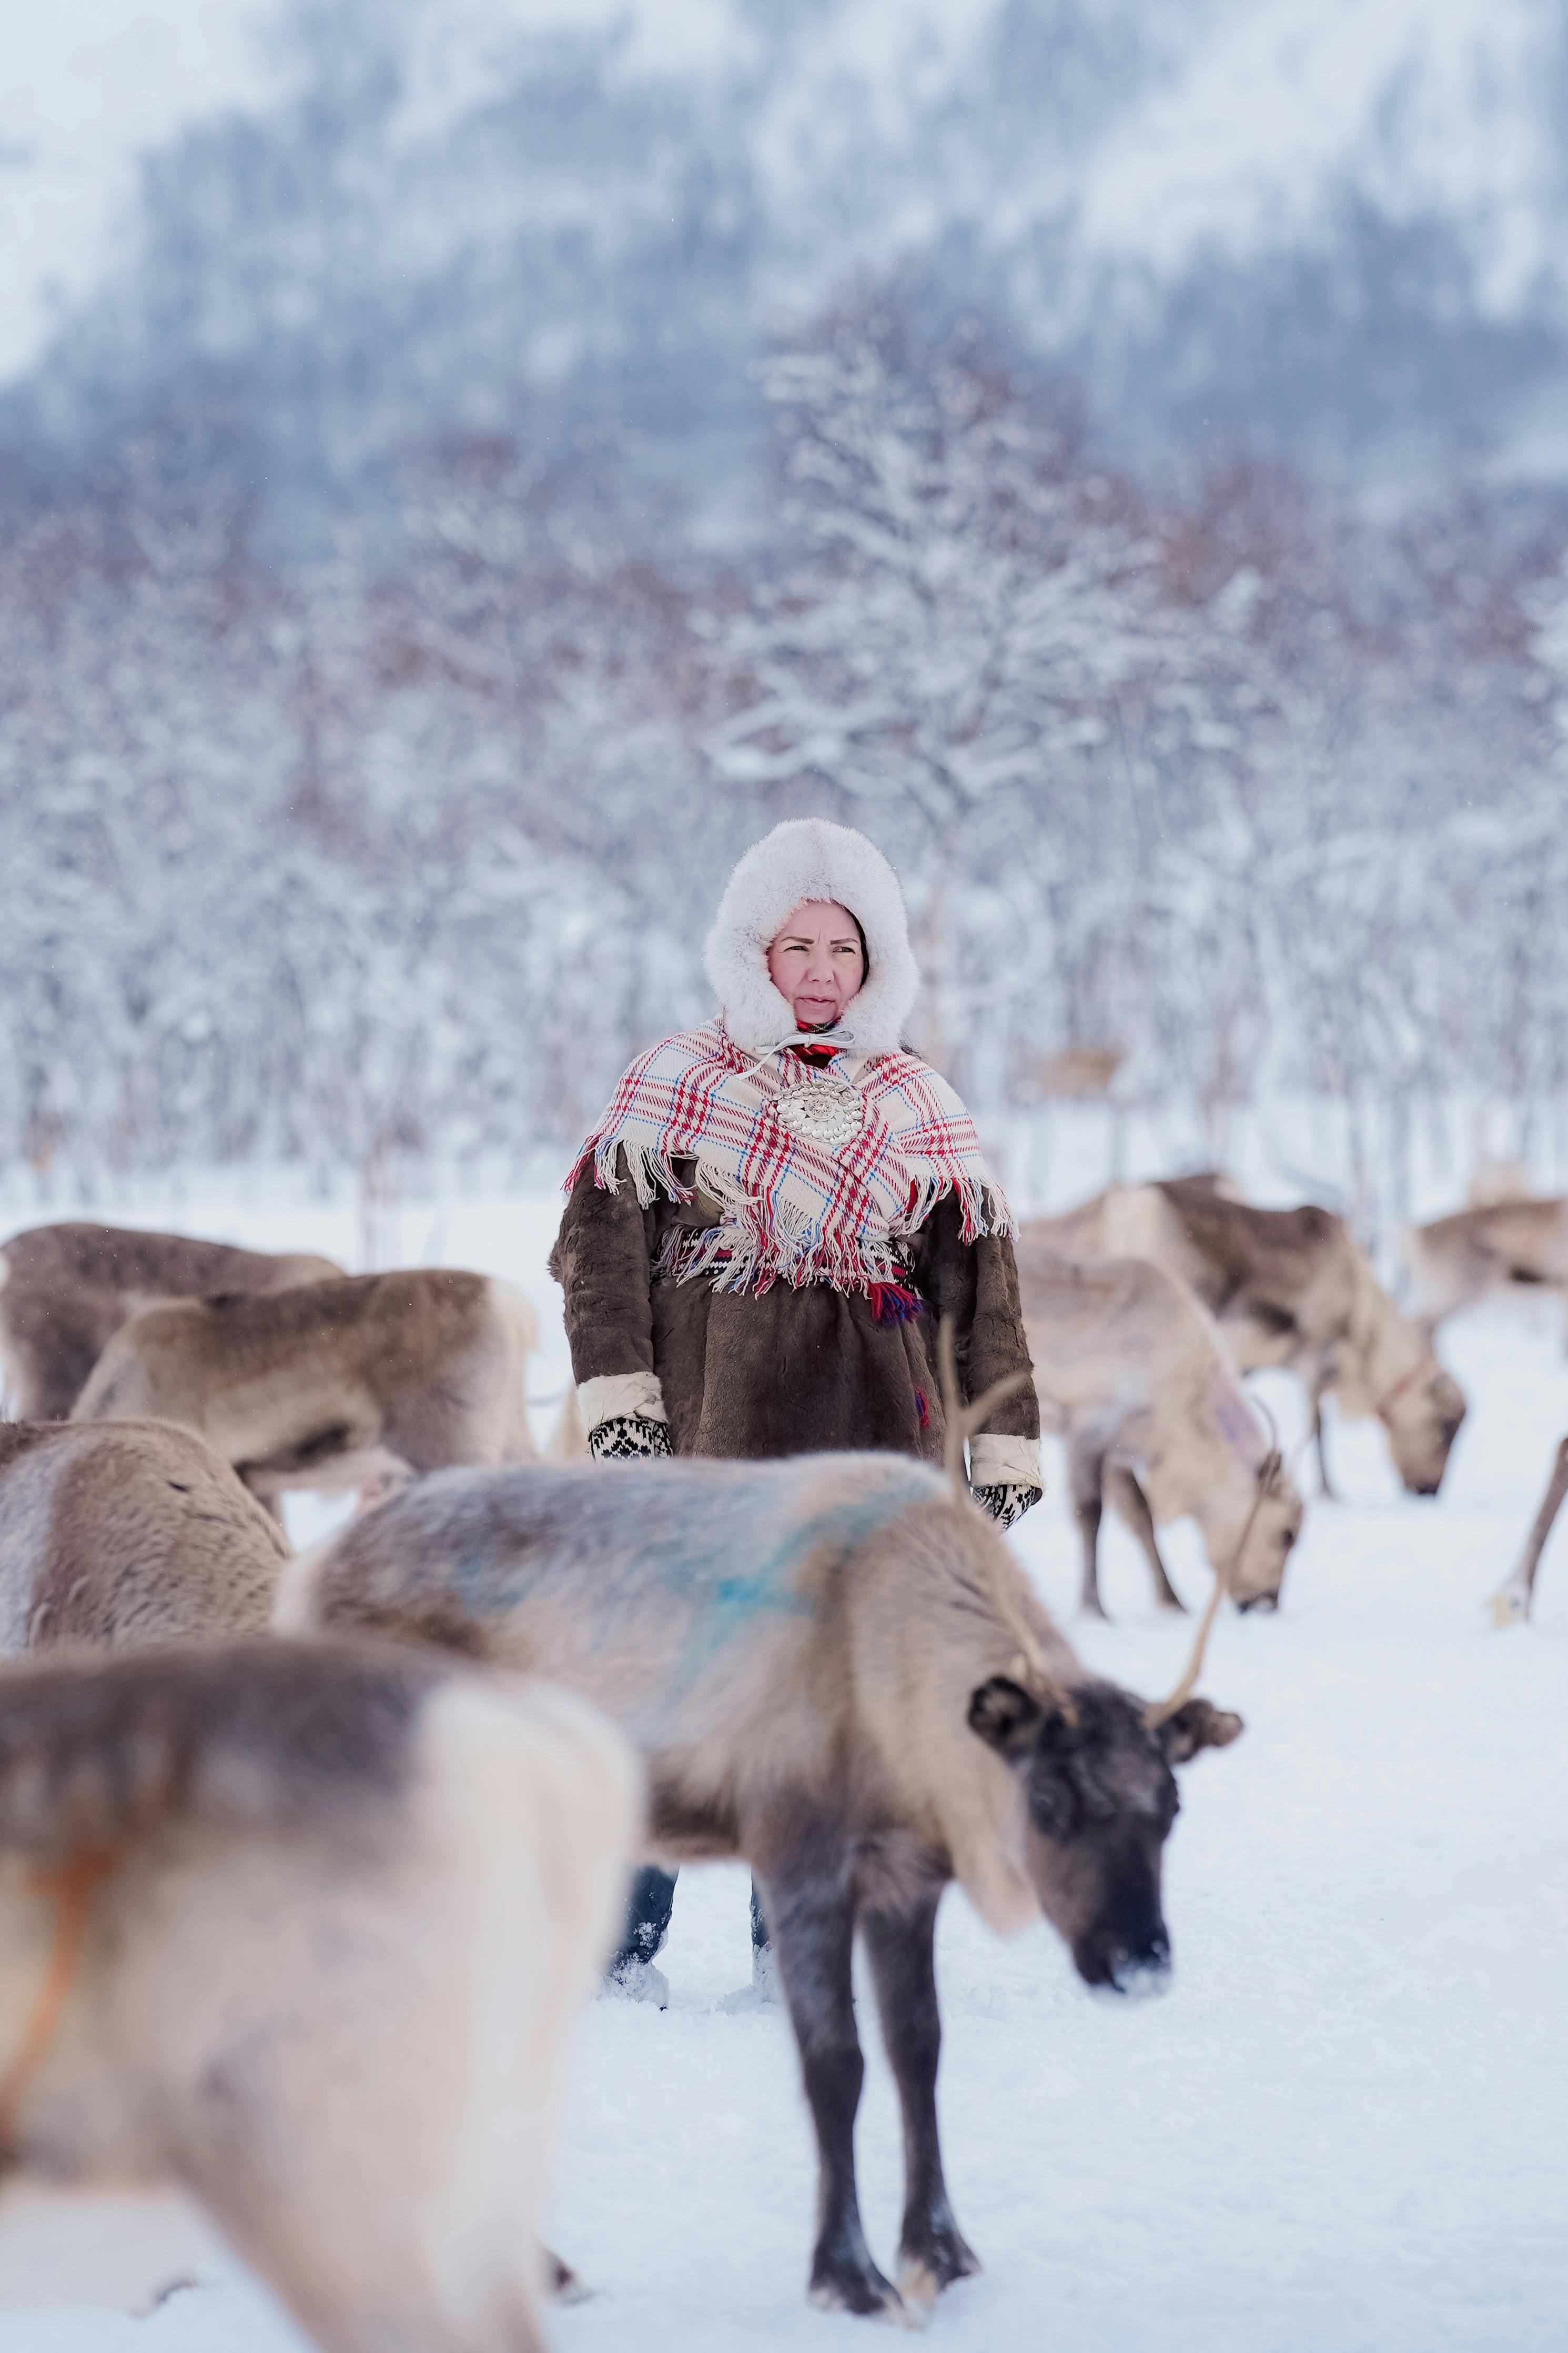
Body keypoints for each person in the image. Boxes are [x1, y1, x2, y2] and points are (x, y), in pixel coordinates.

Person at [551, 817, 1041, 1997]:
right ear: (752, 954)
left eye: (844, 948)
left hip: (874, 1429)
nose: (822, 971)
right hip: (709, 1430)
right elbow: (599, 1252)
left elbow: (981, 1285)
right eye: (798, 946)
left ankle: (799, 1951)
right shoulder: (678, 1080)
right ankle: (621, 1951)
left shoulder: (922, 1102)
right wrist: (622, 1403)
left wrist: (1003, 1437)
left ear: (877, 965)